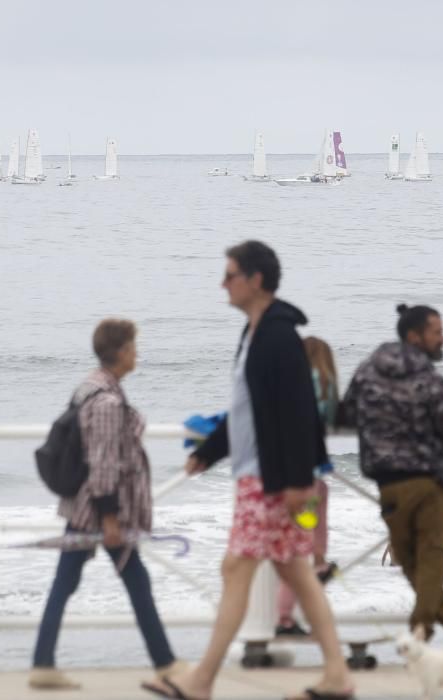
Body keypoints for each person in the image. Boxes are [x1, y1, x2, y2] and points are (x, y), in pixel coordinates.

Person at [143, 241, 352, 700]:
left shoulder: (278, 335)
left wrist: (298, 480)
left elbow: (298, 413)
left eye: (231, 274)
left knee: (237, 566)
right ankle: (337, 675)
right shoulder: (255, 332)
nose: (223, 283)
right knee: (294, 569)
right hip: (260, 475)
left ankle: (201, 682)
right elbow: (247, 410)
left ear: (255, 280)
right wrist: (211, 450)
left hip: (272, 480)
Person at [30, 319, 182, 690]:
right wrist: (110, 518)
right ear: (123, 352)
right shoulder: (108, 401)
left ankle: (43, 662)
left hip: (90, 508)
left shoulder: (91, 386)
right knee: (131, 580)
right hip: (97, 511)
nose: (137, 353)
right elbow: (102, 462)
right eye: (134, 346)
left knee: (75, 581)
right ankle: (165, 664)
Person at [337, 304, 443, 647]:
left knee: (410, 559)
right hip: (427, 481)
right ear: (415, 336)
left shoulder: (367, 371)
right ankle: (420, 632)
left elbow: (346, 413)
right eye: (437, 332)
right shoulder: (428, 378)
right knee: (433, 555)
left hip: (388, 483)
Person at [275, 336, 340, 637]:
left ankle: (285, 614)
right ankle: (319, 562)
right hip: (311, 479)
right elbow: (330, 418)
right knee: (305, 537)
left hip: (291, 477)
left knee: (292, 547)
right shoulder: (325, 384)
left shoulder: (289, 383)